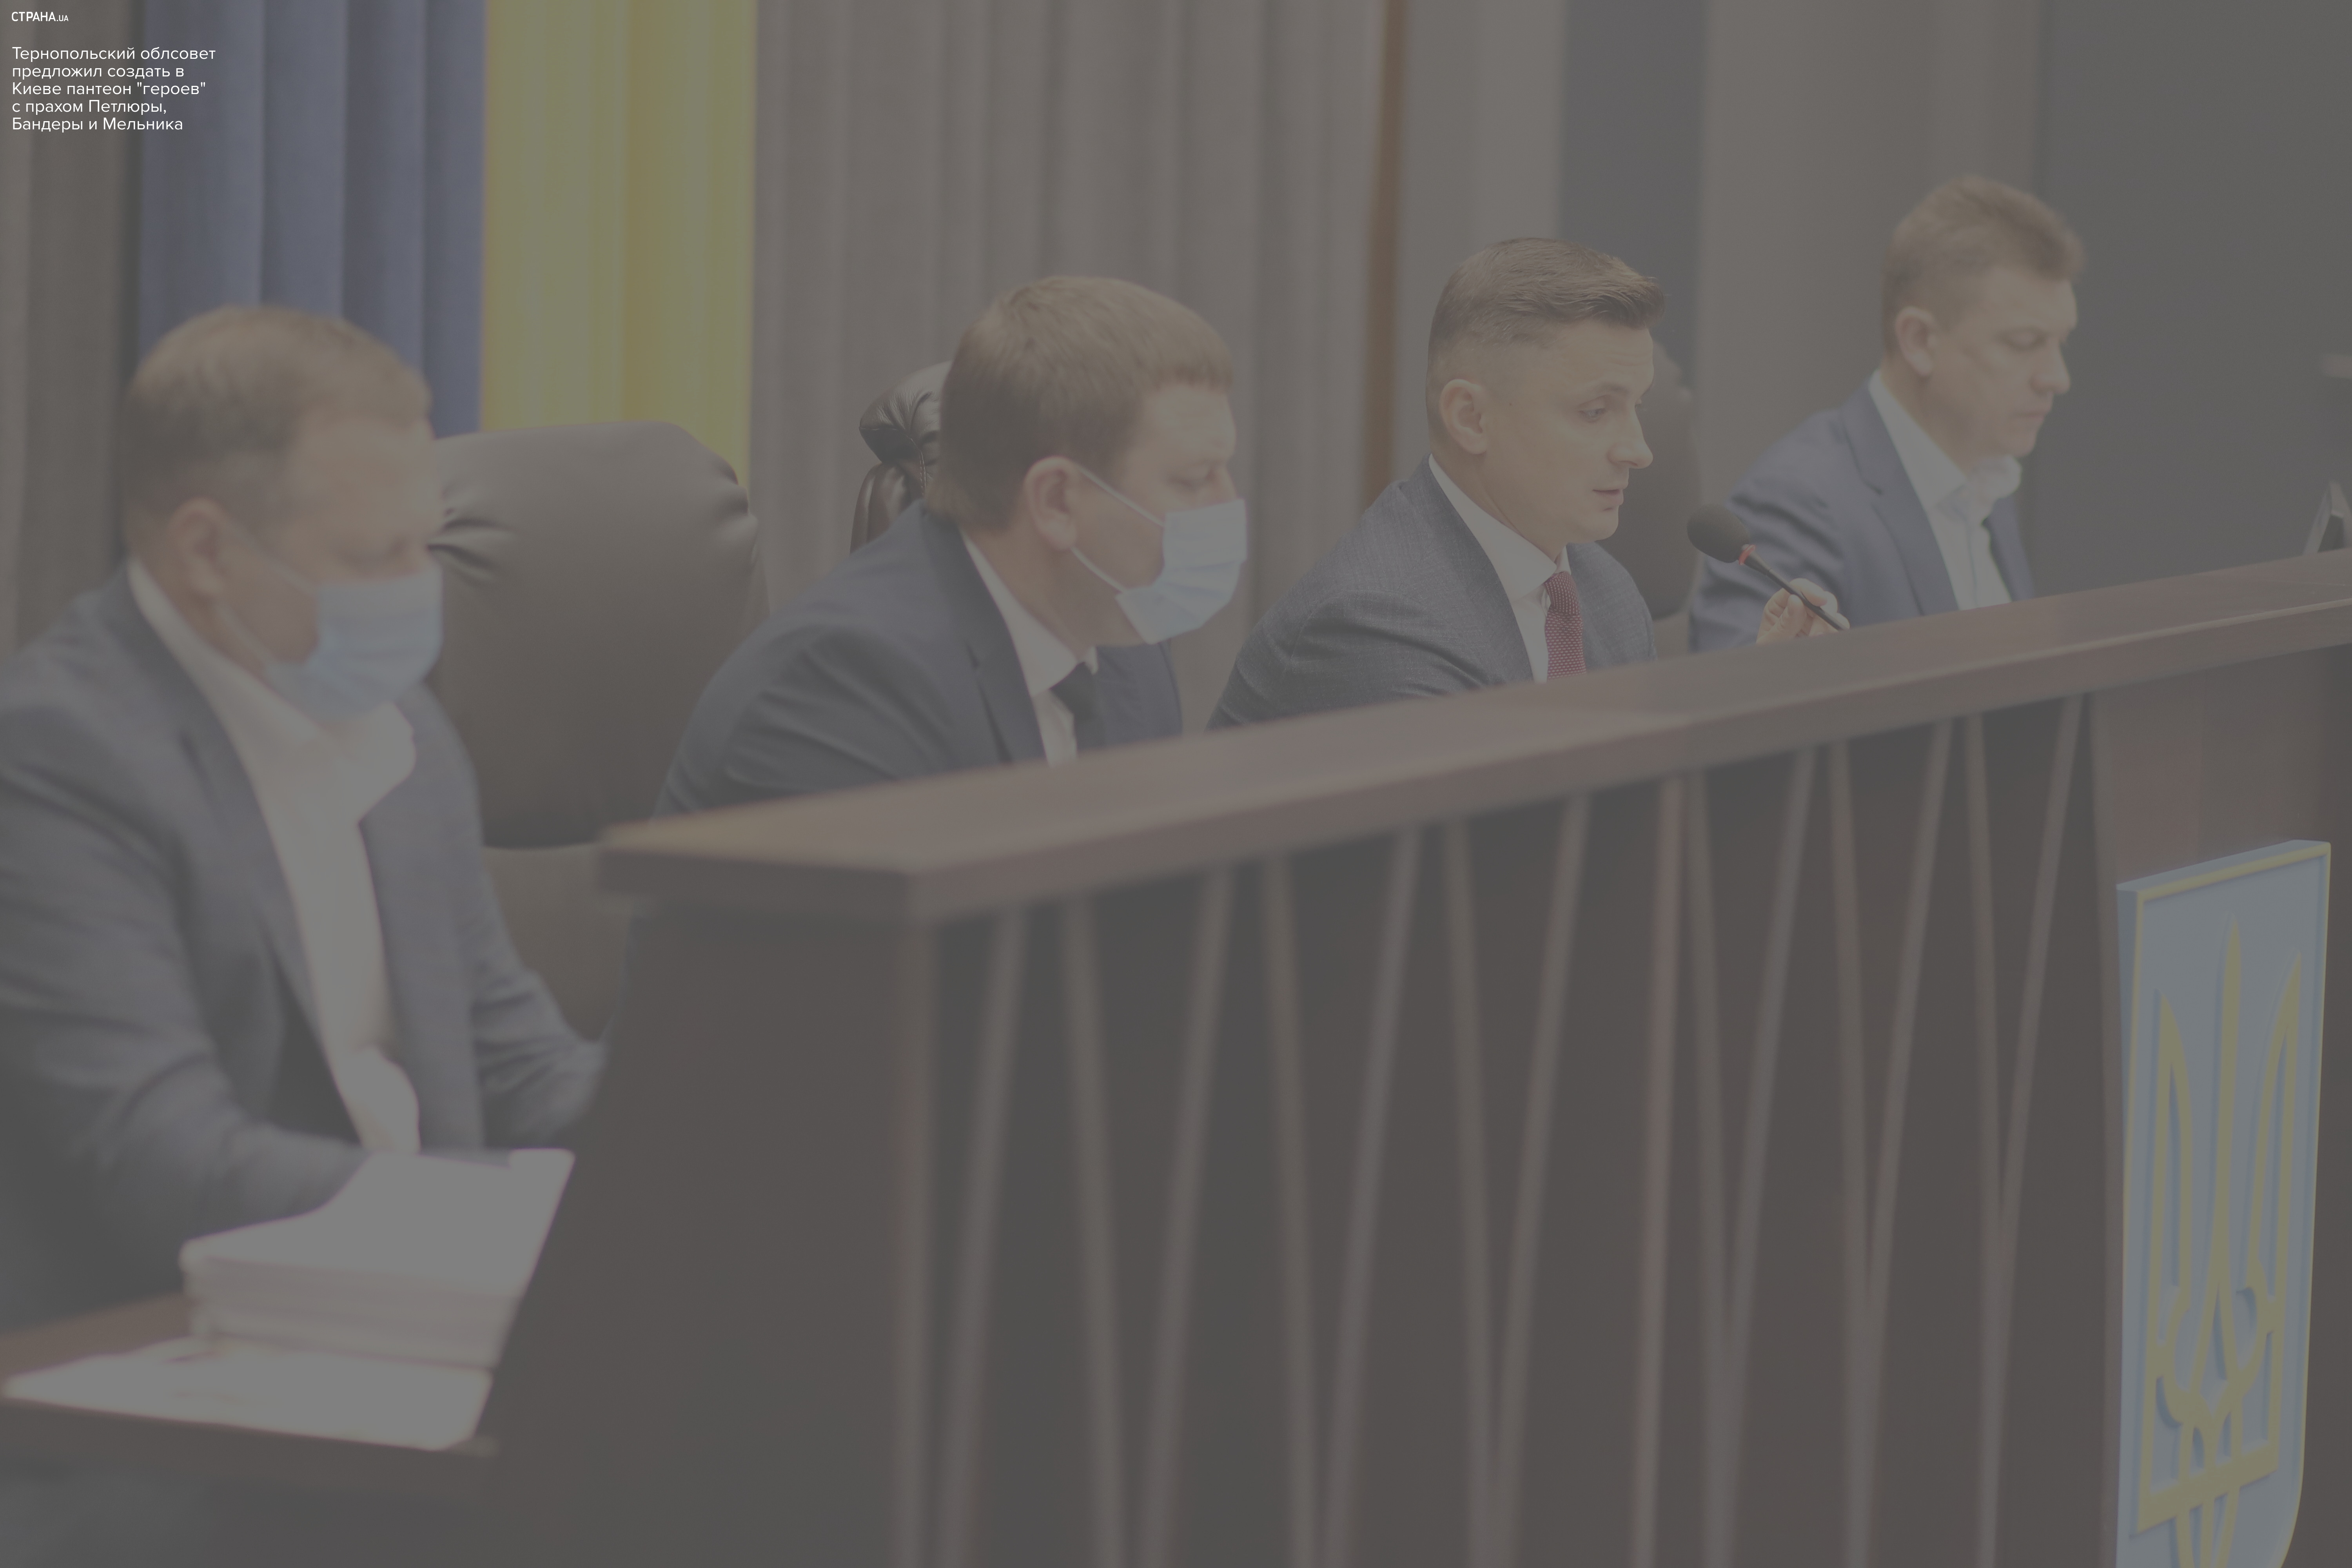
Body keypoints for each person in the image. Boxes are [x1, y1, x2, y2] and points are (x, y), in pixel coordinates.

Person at [0, 307, 603, 1562]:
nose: (420, 593)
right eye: (376, 556)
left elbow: (517, 1059)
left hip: (414, 1346)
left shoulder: (402, 732)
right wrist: (479, 1208)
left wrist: (708, 1142)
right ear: (207, 551)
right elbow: (164, 1159)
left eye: (428, 545)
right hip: (154, 1408)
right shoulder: (60, 759)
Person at [657, 276, 1234, 814]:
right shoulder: (837, 693)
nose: (1228, 502)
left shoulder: (1125, 642)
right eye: (1193, 479)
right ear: (1056, 501)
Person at [1214, 239, 1822, 728]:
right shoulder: (1376, 625)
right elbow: (1524, 844)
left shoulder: (1605, 592)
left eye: (1636, 406)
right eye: (1595, 411)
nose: (1639, 451)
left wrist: (1759, 701)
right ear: (1471, 419)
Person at [1689, 176, 2082, 650]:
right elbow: (1738, 684)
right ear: (1919, 340)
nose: (2057, 377)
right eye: (2024, 343)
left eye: (2060, 343)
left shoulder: (1988, 483)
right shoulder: (1799, 500)